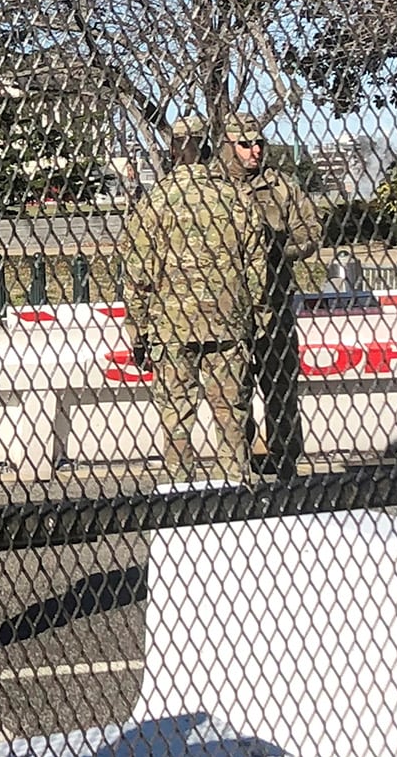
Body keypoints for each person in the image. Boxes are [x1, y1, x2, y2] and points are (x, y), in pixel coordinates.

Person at [119, 115, 261, 485]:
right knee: (231, 413)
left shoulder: (155, 202)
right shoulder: (235, 198)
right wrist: (257, 316)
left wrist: (137, 331)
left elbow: (137, 274)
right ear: (209, 147)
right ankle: (235, 489)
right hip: (228, 322)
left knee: (176, 417)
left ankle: (179, 491)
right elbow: (256, 266)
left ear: (171, 150)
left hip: (171, 325)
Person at [215, 114, 321, 477]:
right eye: (245, 144)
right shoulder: (211, 189)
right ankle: (239, 465)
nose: (255, 150)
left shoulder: (281, 187)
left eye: (259, 143)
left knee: (280, 385)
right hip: (227, 306)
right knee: (233, 392)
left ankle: (285, 461)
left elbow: (310, 231)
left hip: (273, 303)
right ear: (228, 146)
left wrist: (277, 249)